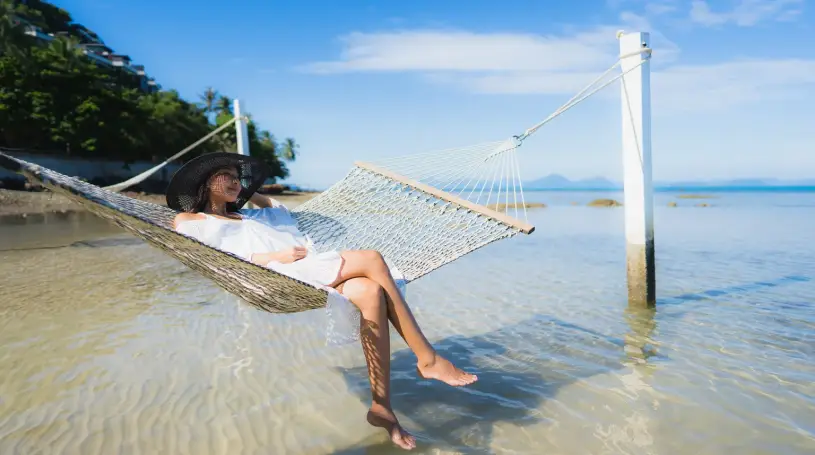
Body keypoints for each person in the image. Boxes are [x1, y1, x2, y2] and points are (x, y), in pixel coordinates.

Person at [165, 152, 477, 450]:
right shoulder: (190, 220)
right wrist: (275, 255)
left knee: (371, 291)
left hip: (307, 267)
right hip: (276, 272)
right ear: (205, 182)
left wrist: (246, 192)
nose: (236, 182)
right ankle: (428, 359)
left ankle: (382, 407)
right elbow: (218, 259)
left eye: (238, 177)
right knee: (371, 259)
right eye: (226, 176)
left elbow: (276, 207)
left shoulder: (255, 215)